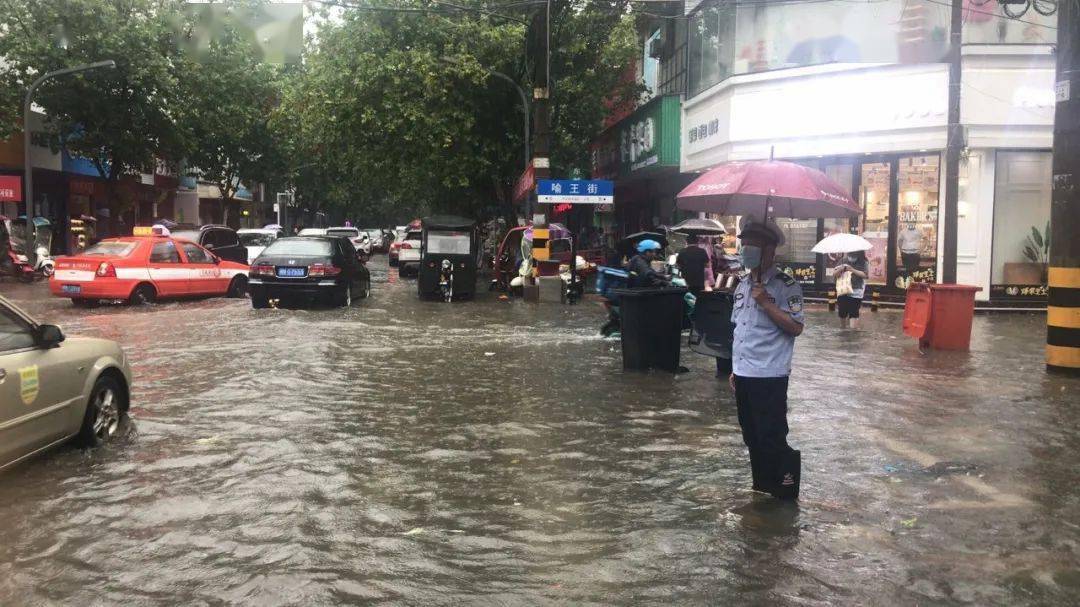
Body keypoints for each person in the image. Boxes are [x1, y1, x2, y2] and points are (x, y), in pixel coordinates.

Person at [729, 216, 804, 501]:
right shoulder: (743, 284)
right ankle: (761, 490)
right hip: (744, 374)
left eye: (752, 245)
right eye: (744, 244)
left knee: (771, 437)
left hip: (769, 375)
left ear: (770, 250)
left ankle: (784, 497)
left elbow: (795, 327)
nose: (745, 250)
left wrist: (766, 303)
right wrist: (735, 368)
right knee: (751, 436)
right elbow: (740, 330)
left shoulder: (786, 286)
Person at [834, 250, 869, 329]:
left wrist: (852, 269)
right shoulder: (843, 261)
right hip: (843, 290)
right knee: (842, 312)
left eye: (853, 253)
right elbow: (834, 274)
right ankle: (843, 329)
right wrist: (840, 269)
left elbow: (865, 275)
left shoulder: (863, 262)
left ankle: (853, 331)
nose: (851, 256)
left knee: (854, 312)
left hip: (856, 291)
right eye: (850, 253)